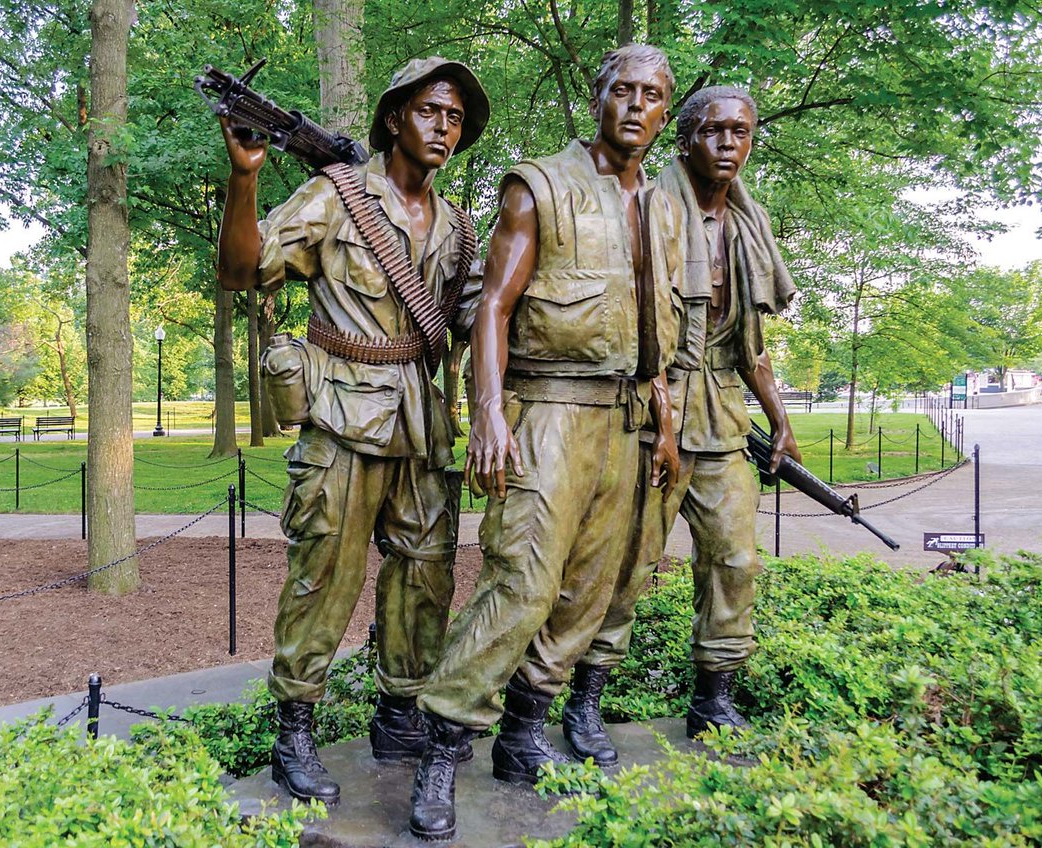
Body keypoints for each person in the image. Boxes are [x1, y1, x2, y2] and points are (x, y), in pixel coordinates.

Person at [405, 44, 683, 842]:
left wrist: (664, 424)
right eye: (622, 90)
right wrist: (489, 411)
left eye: (652, 96)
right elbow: (492, 305)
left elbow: (660, 334)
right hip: (551, 407)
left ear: (664, 112)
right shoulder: (540, 185)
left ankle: (525, 736)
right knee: (522, 583)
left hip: (627, 421)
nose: (636, 106)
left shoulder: (662, 207)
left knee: (591, 590)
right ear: (598, 97)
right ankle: (444, 749)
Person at [216, 57, 490, 806]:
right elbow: (243, 270)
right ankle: (294, 730)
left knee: (425, 576)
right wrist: (245, 179)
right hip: (340, 415)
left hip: (421, 425)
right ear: (395, 116)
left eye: (456, 118)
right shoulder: (336, 198)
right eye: (431, 110)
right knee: (324, 576)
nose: (443, 126)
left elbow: (482, 322)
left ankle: (399, 714)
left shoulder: (460, 228)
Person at [566, 85, 802, 759]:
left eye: (742, 133)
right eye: (716, 131)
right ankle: (585, 701)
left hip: (723, 417)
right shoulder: (650, 209)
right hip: (652, 414)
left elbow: (746, 346)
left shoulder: (747, 226)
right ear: (687, 138)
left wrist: (778, 419)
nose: (730, 145)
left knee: (735, 558)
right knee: (627, 566)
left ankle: (713, 699)